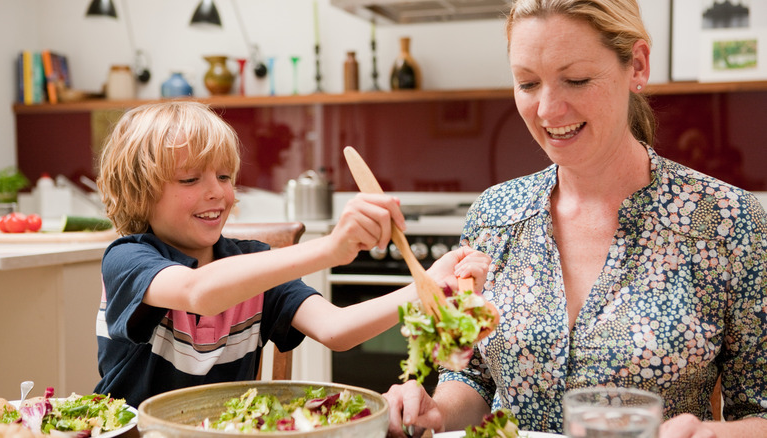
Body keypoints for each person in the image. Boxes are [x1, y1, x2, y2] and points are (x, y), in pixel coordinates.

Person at [383, 1, 767, 437]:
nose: (547, 110)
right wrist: (437, 411)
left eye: (577, 80)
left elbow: (761, 410)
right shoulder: (495, 216)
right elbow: (474, 379)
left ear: (637, 65)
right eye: (527, 83)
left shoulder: (727, 223)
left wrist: (708, 434)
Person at [93, 101, 490, 407]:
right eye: (191, 178)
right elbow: (199, 291)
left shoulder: (255, 264)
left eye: (225, 176)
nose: (218, 192)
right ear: (138, 192)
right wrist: (332, 248)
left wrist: (428, 287)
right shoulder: (128, 259)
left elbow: (337, 330)